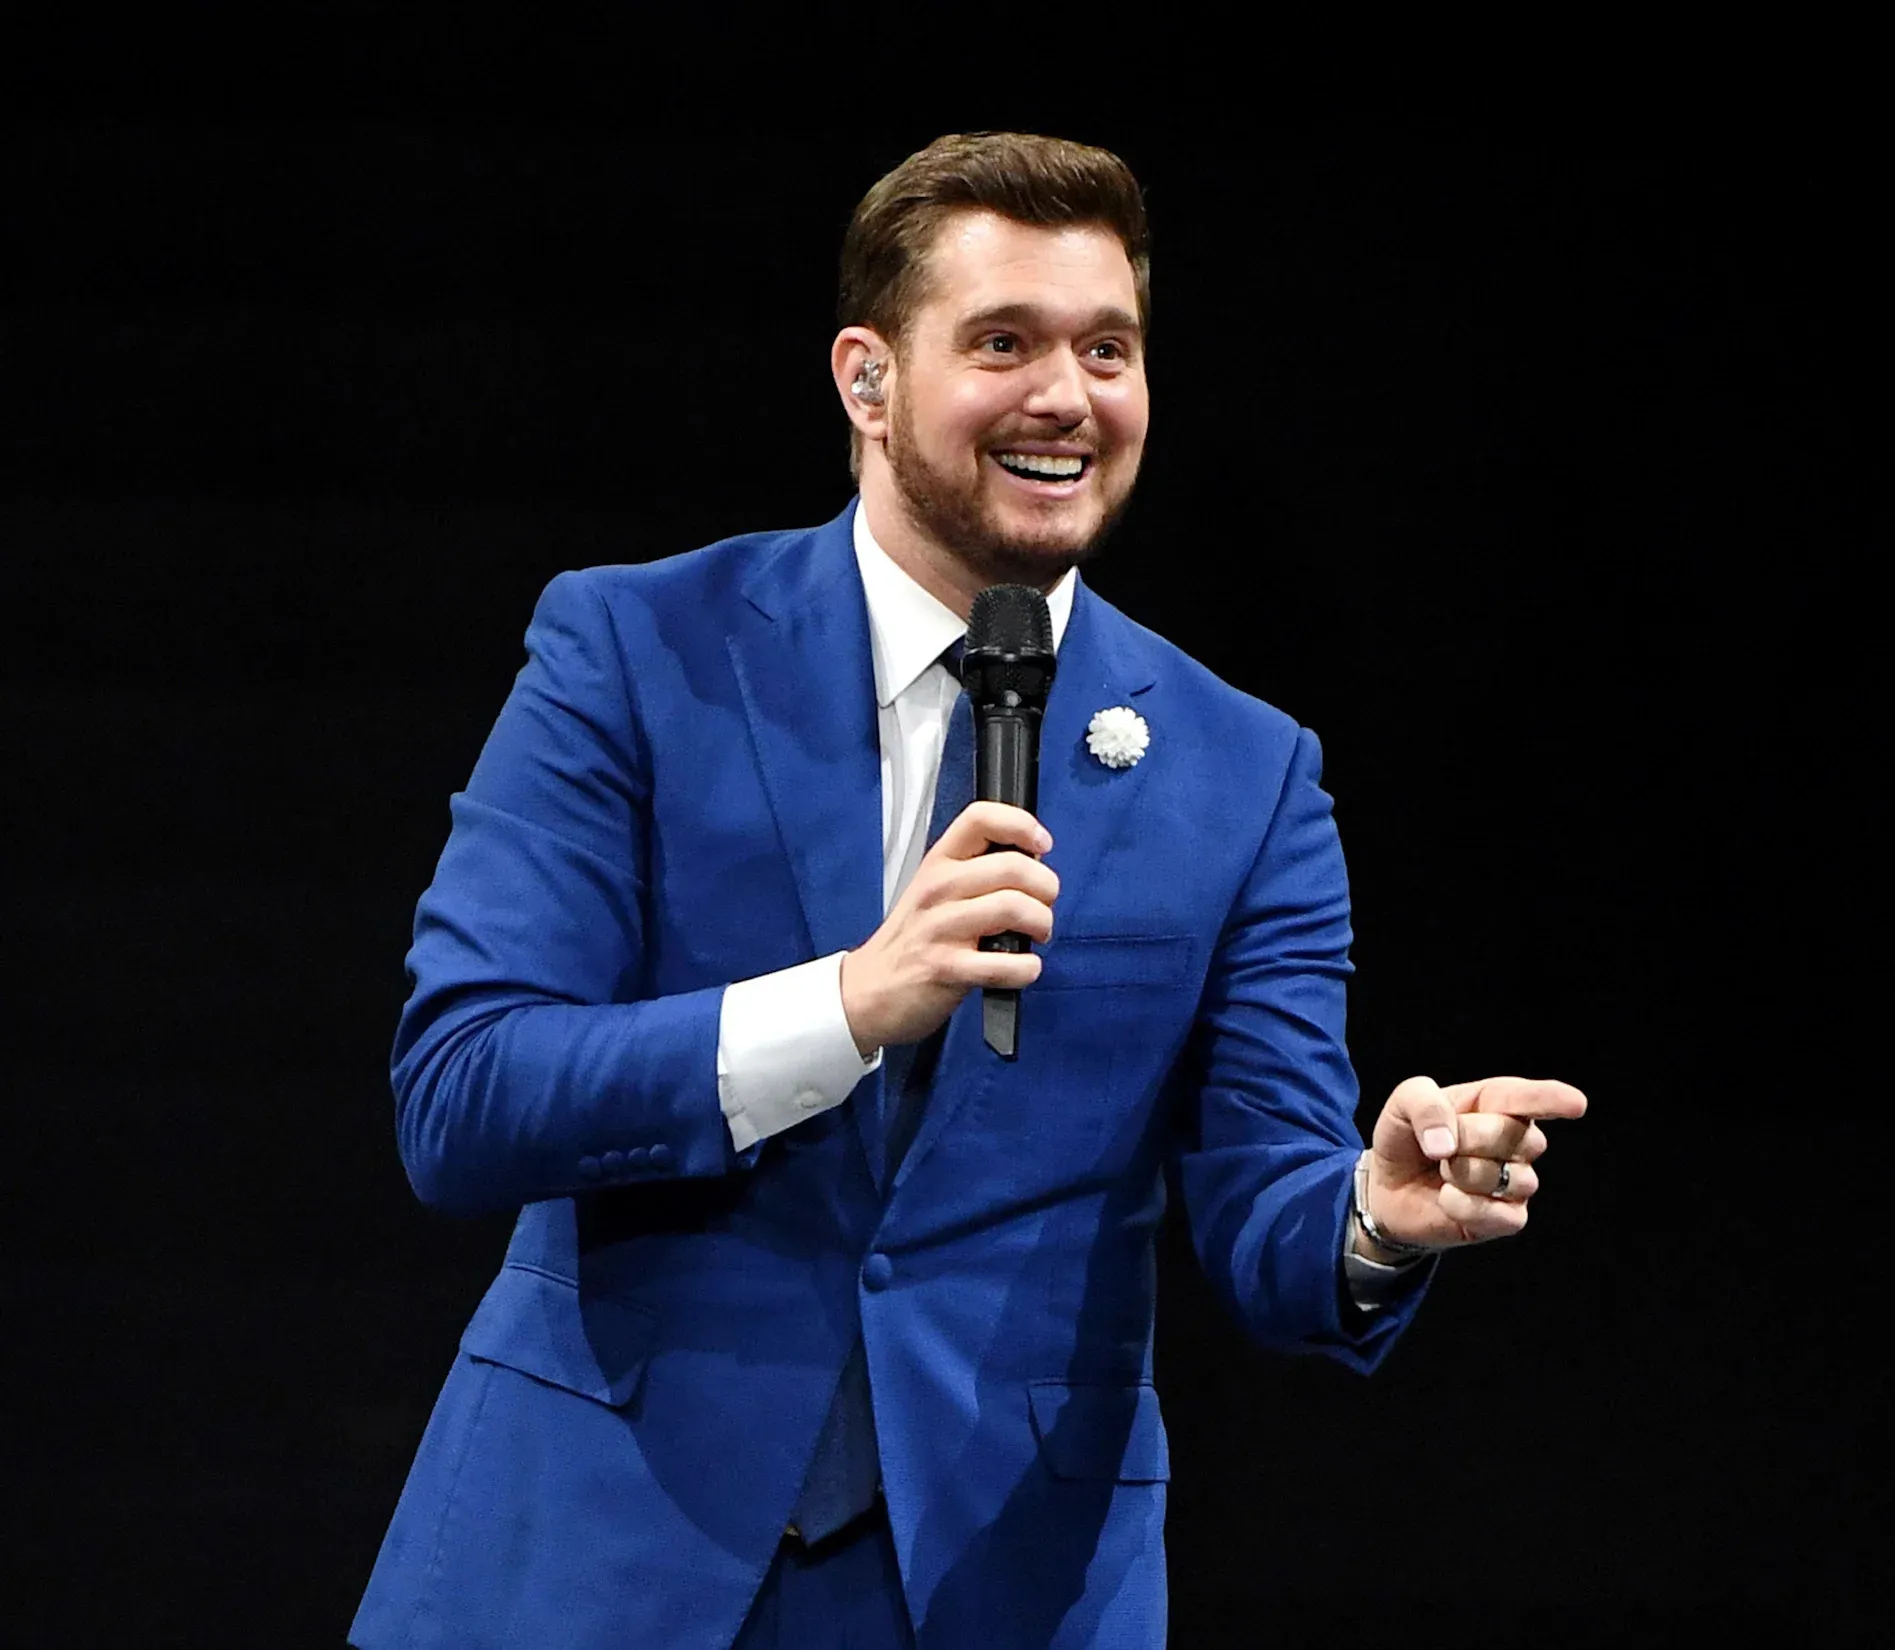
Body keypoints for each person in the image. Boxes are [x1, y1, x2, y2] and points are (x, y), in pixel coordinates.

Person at [349, 132, 1585, 1650]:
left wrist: (1370, 1220)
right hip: (597, 1553)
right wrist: (851, 1004)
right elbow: (464, 1092)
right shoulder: (634, 650)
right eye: (1002, 343)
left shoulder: (1246, 771)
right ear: (866, 380)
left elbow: (1267, 1205)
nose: (1065, 396)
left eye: (1108, 348)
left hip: (1002, 1581)